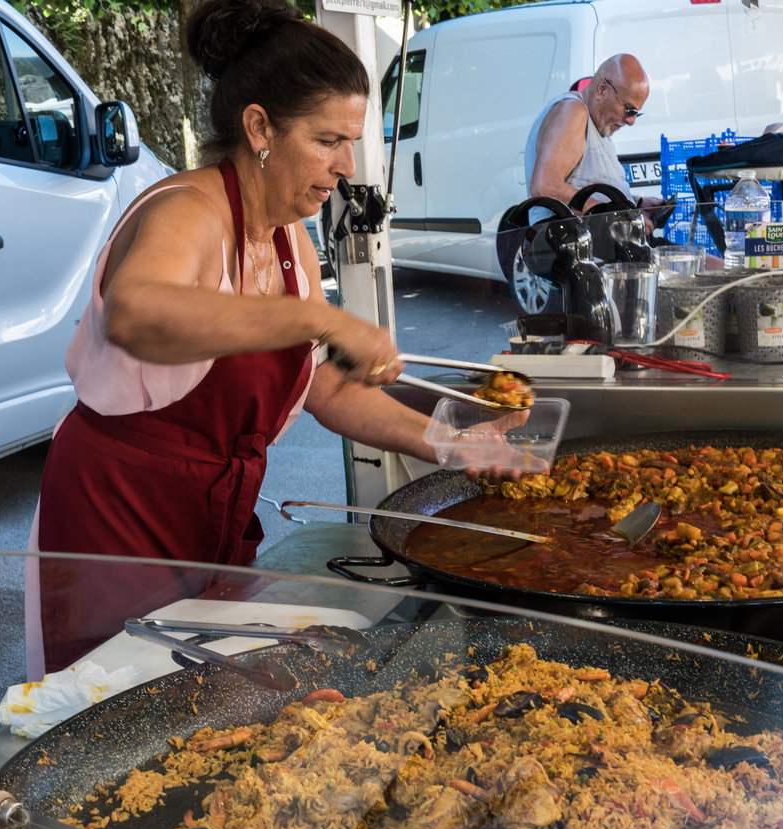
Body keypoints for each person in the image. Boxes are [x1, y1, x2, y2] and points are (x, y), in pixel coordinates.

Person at [34, 0, 490, 669]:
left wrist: (449, 442)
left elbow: (318, 384)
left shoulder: (284, 238)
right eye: (328, 140)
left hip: (212, 512)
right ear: (260, 127)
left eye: (350, 142)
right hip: (118, 515)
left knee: (206, 696)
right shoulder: (189, 209)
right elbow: (136, 312)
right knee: (114, 703)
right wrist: (320, 318)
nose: (345, 165)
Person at [526, 54, 653, 209]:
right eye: (628, 109)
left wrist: (637, 204)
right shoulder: (573, 112)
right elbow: (544, 187)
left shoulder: (598, 122)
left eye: (636, 113)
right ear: (602, 89)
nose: (631, 121)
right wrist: (615, 216)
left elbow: (588, 190)